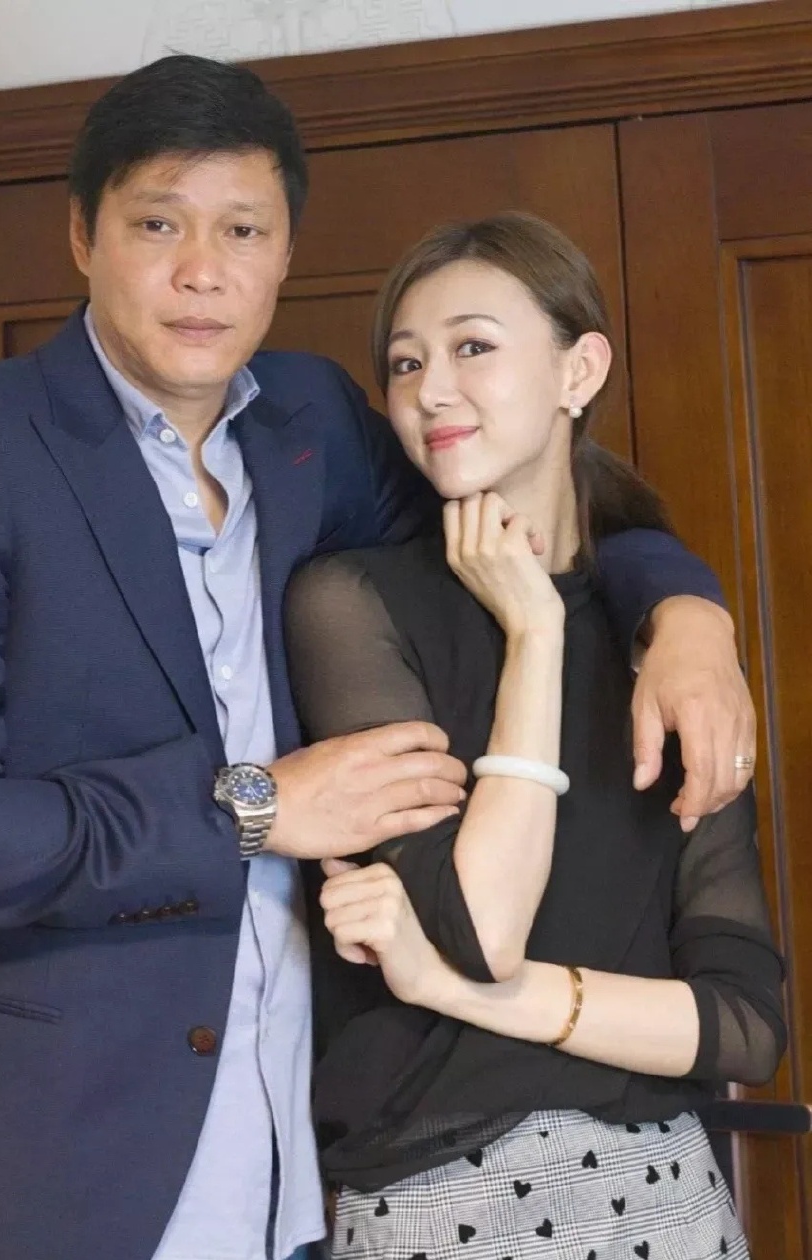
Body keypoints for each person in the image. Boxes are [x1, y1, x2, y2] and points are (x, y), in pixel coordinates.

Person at [0, 54, 753, 1260]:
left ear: (284, 252)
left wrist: (687, 612)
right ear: (82, 237)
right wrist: (254, 806)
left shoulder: (309, 424)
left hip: (290, 1176)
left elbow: (528, 513)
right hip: (47, 1169)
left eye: (243, 229)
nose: (202, 270)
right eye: (156, 223)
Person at [285, 212, 785, 1260]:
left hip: (671, 1202)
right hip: (440, 1204)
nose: (430, 390)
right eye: (405, 363)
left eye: (472, 346)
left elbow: (744, 1024)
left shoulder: (666, 641)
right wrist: (535, 635)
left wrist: (460, 991)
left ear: (578, 370)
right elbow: (481, 925)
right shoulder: (353, 605)